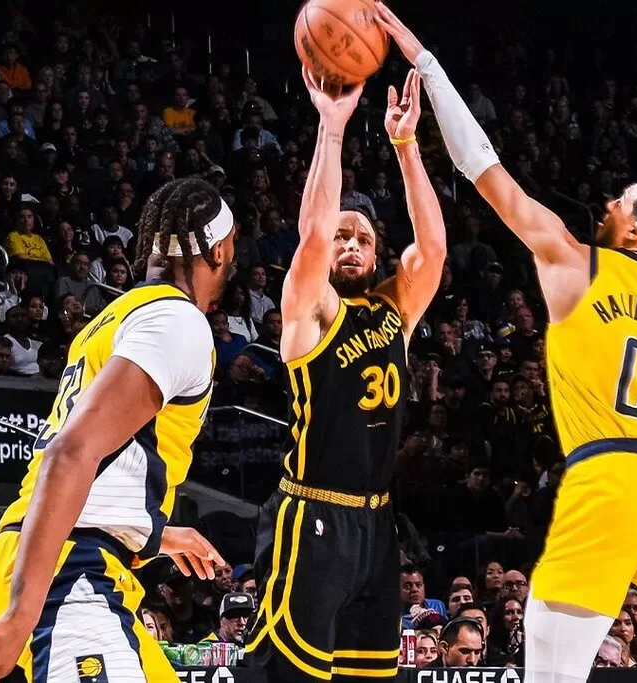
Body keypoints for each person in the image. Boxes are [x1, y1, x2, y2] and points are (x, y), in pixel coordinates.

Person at [375, 7, 637, 682]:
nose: (606, 201)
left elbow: (480, 164)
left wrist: (425, 61)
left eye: (620, 200)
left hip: (607, 480)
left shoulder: (576, 263)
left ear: (635, 232)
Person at [0, 177, 234, 683]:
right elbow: (69, 454)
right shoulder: (177, 322)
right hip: (69, 571)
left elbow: (106, 461)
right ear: (221, 250)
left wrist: (150, 531)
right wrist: (21, 617)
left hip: (61, 554)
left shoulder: (114, 317)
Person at [245, 68, 446, 683]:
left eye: (363, 238)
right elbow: (310, 237)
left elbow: (433, 249)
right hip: (311, 518)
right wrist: (332, 129)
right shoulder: (310, 311)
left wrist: (407, 146)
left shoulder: (394, 312)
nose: (351, 245)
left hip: (377, 524)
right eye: (343, 236)